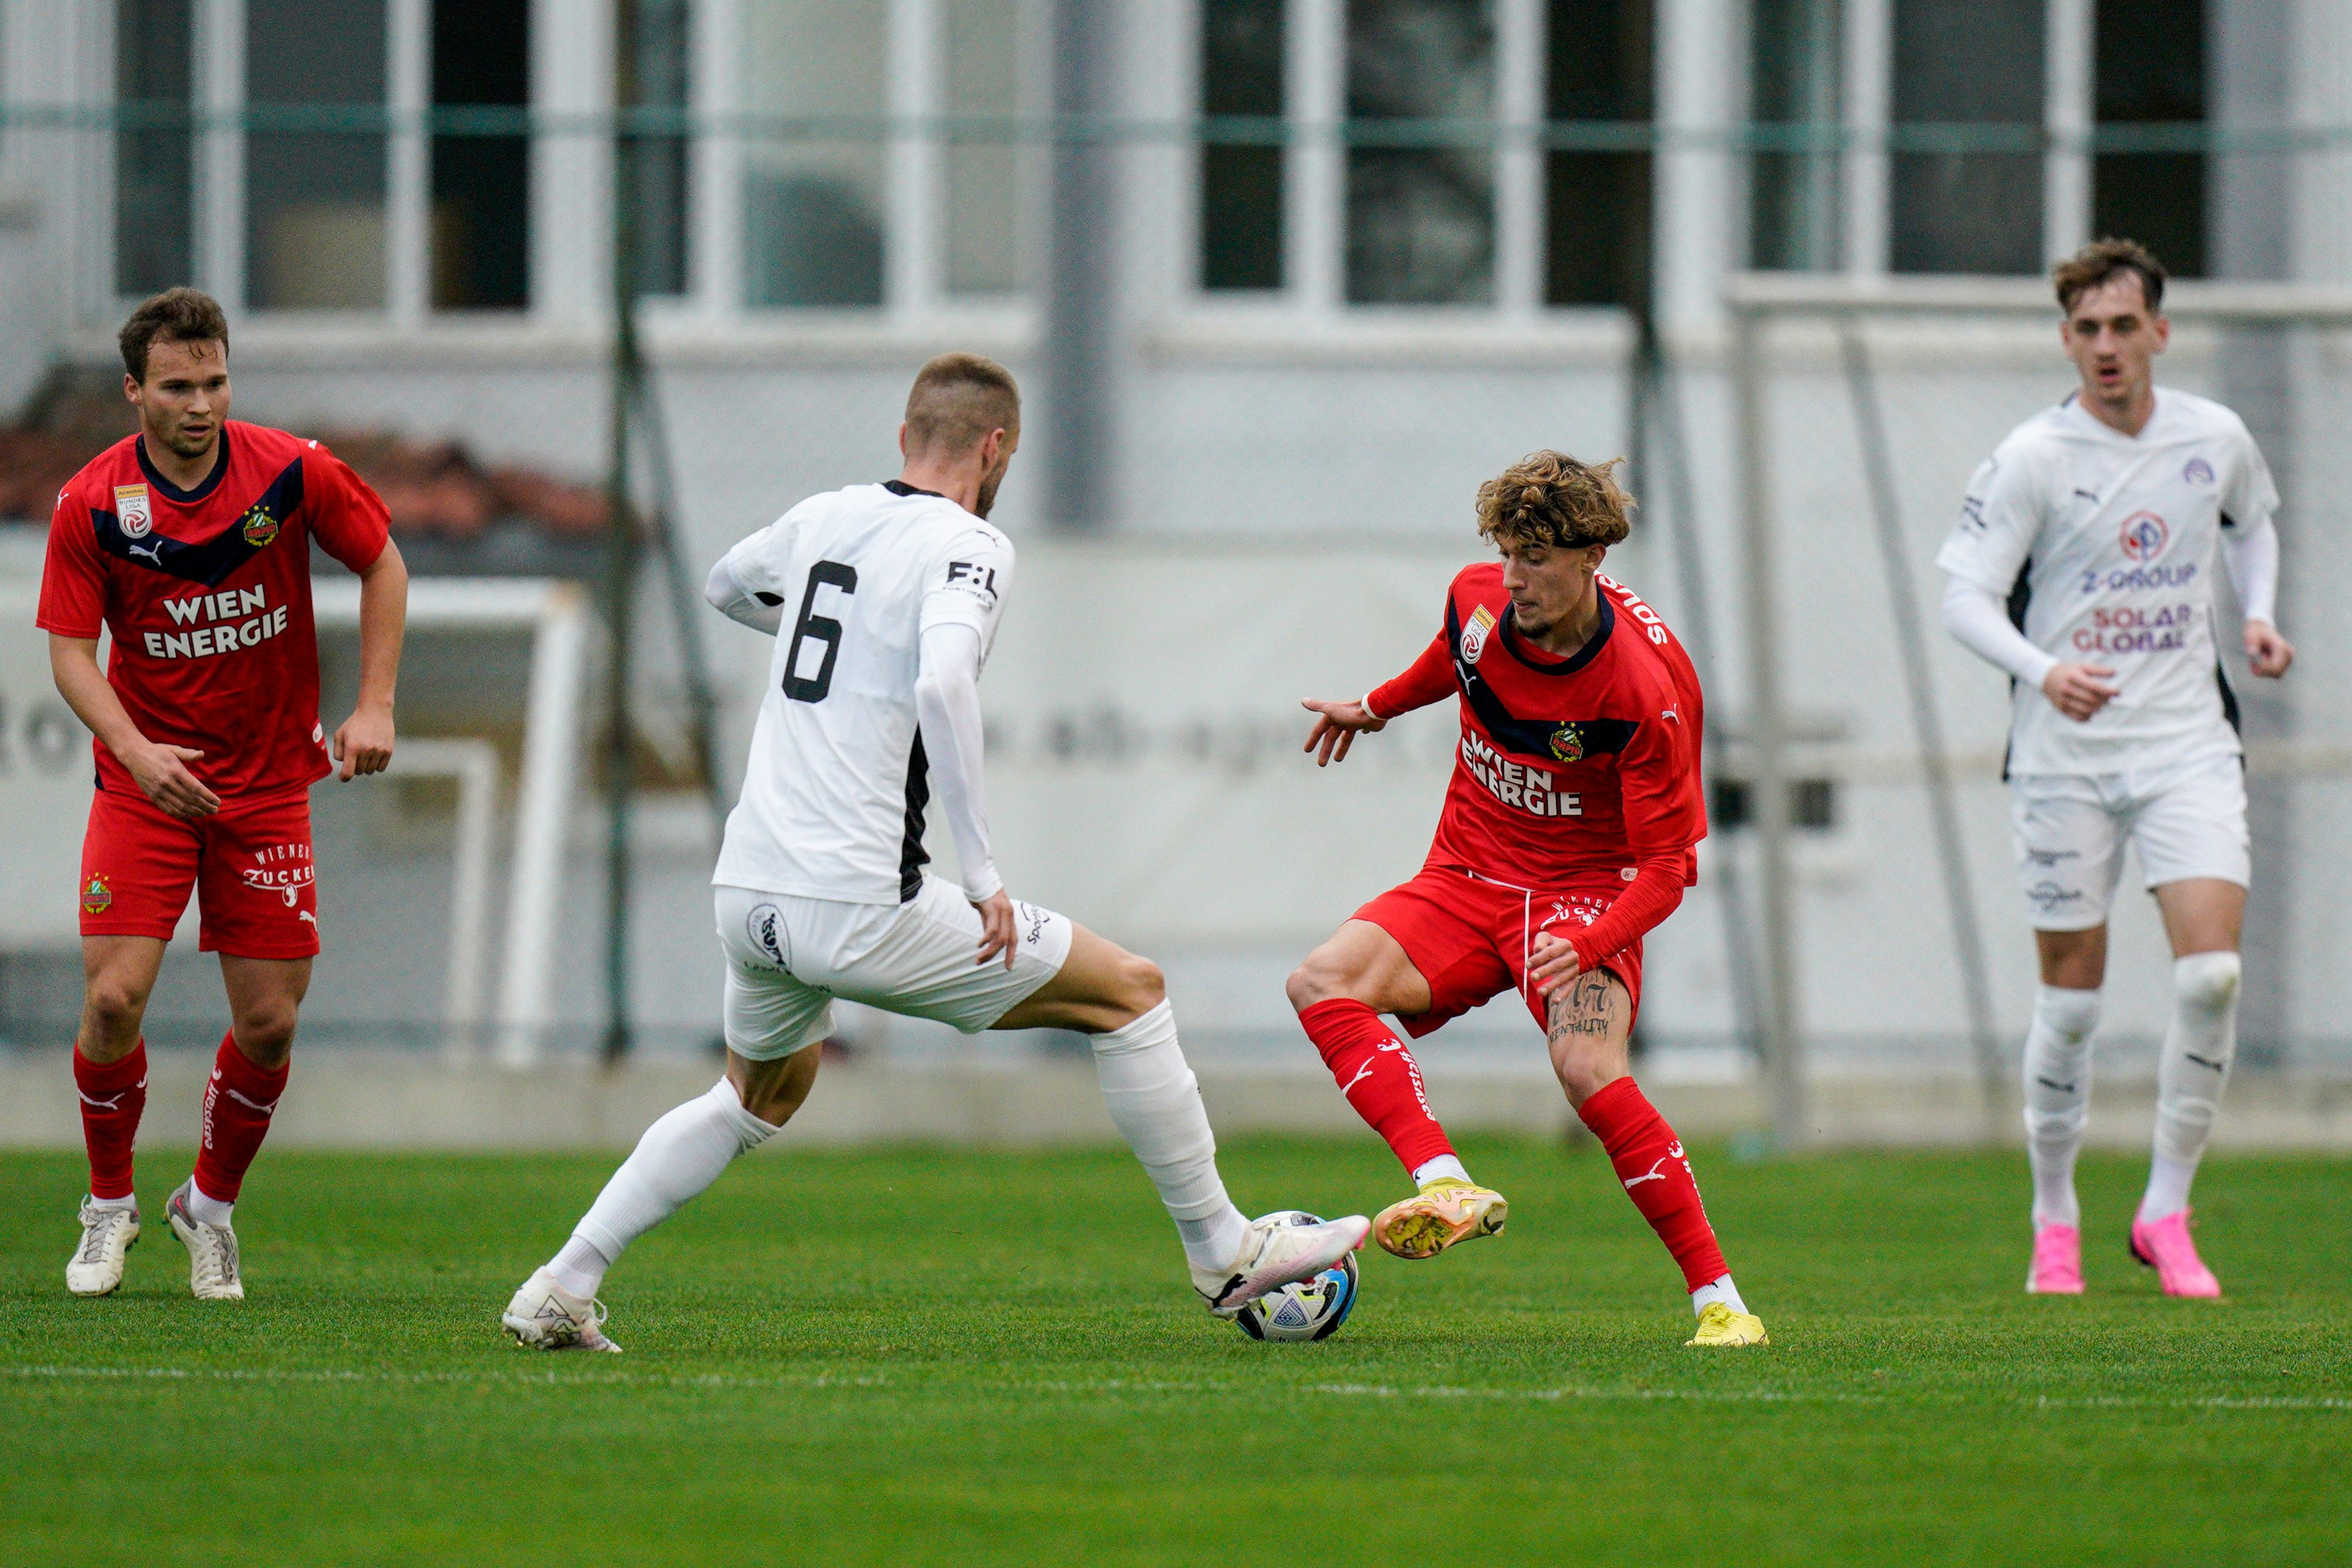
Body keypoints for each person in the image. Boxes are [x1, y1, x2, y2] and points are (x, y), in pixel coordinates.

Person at [501, 353, 1366, 1351]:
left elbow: (724, 583)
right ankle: (1223, 1251)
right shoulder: (970, 544)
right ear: (995, 447)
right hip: (858, 901)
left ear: (905, 433)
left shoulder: (823, 515)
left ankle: (562, 1284)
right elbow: (943, 685)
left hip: (749, 893)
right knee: (1128, 992)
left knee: (756, 1093)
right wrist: (986, 876)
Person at [1286, 451, 1766, 1348]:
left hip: (1584, 893)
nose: (1515, 578)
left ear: (1594, 559)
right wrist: (1378, 705)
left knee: (1587, 1070)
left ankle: (1720, 1304)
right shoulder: (1478, 598)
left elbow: (1667, 869)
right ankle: (1444, 1183)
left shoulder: (1643, 694)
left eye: (1537, 559)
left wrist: (1591, 943)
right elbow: (1456, 658)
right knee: (1321, 982)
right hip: (1469, 871)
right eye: (1507, 553)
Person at [1937, 238, 2291, 1299]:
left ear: (2157, 334)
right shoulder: (2031, 458)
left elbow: (2252, 527)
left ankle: (2165, 1212)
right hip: (2064, 758)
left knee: (2211, 974)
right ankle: (2055, 1218)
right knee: (2074, 1004)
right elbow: (1962, 598)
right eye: (2084, 329)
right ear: (2065, 341)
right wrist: (2044, 673)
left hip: (2186, 742)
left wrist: (2260, 616)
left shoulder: (2212, 437)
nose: (2103, 346)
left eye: (2121, 326)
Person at [41, 287, 409, 1301]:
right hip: (145, 784)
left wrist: (373, 703)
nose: (199, 403)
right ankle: (107, 1206)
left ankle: (206, 1208)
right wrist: (135, 747)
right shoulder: (90, 503)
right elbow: (71, 655)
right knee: (113, 998)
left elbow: (383, 563)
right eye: (176, 386)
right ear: (134, 392)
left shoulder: (292, 471)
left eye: (214, 381)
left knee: (271, 1026)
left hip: (264, 788)